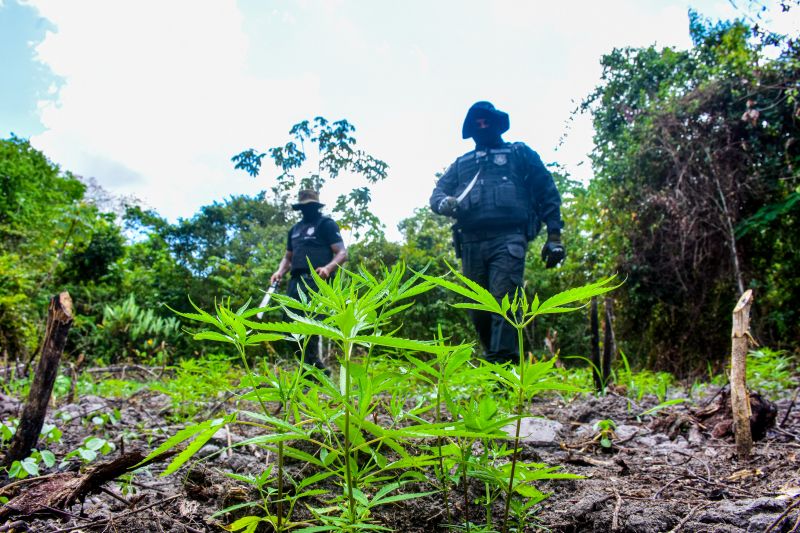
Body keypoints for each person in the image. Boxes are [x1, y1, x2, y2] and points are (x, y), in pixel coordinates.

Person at [430, 101, 565, 365]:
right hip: (470, 244)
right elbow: (437, 193)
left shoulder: (518, 154)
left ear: (496, 123)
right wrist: (443, 202)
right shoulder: (462, 164)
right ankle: (496, 361)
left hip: (508, 239)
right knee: (478, 308)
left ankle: (502, 371)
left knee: (504, 302)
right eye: (476, 122)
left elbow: (547, 191)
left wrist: (554, 237)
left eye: (486, 121)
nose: (482, 126)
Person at [271, 189, 347, 370]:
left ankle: (310, 373)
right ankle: (316, 368)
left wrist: (328, 268)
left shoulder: (326, 224)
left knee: (310, 325)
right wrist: (279, 271)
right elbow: (288, 257)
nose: (308, 210)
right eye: (304, 207)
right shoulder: (295, 230)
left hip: (317, 281)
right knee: (288, 326)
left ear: (316, 206)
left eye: (311, 206)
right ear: (300, 208)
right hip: (296, 282)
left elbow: (342, 253)